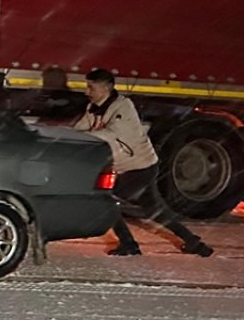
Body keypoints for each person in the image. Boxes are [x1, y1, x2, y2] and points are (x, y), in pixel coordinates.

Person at [76, 68, 214, 257]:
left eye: (91, 87)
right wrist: (66, 137)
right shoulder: (94, 108)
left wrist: (81, 138)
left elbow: (111, 135)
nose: (87, 92)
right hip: (135, 166)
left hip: (139, 168)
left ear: (106, 88)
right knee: (155, 210)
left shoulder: (123, 108)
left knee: (104, 200)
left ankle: (129, 244)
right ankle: (194, 243)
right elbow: (80, 129)